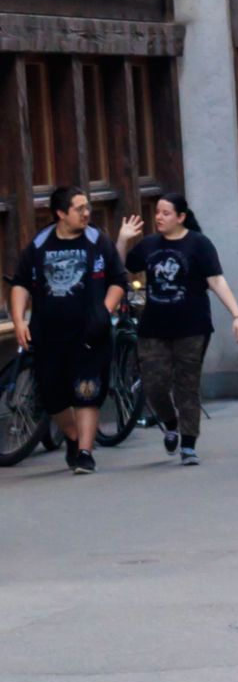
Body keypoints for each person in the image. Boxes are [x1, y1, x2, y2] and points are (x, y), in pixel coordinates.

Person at [117, 193, 238, 466]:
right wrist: (123, 240)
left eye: (165, 213)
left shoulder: (199, 244)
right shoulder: (149, 245)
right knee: (154, 385)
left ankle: (188, 445)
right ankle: (170, 422)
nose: (159, 217)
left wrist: (236, 315)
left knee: (186, 386)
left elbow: (216, 280)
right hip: (153, 328)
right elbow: (120, 270)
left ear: (181, 217)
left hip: (192, 326)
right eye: (158, 213)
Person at [6, 186, 126, 474]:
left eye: (88, 207)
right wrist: (20, 320)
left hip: (88, 333)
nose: (87, 213)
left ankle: (85, 451)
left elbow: (118, 279)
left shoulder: (98, 241)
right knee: (52, 395)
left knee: (87, 390)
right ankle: (73, 437)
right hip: (48, 334)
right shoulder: (40, 244)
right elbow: (21, 283)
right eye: (79, 208)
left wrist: (104, 310)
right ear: (61, 213)